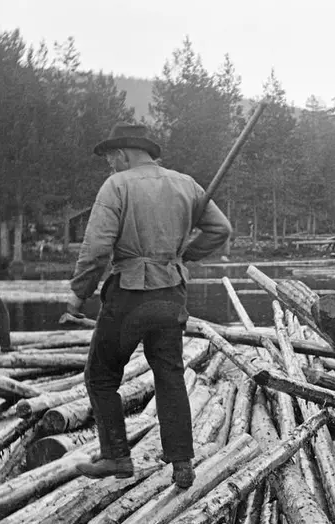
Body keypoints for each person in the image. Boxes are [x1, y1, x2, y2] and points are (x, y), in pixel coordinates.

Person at [67, 123, 232, 488]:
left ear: (124, 153)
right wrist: (183, 256)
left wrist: (78, 295)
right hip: (171, 294)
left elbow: (96, 250)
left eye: (111, 158)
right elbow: (221, 230)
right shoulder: (186, 184)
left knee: (101, 375)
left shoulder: (118, 185)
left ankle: (115, 456)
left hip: (129, 296)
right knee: (170, 376)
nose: (110, 165)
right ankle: (182, 464)